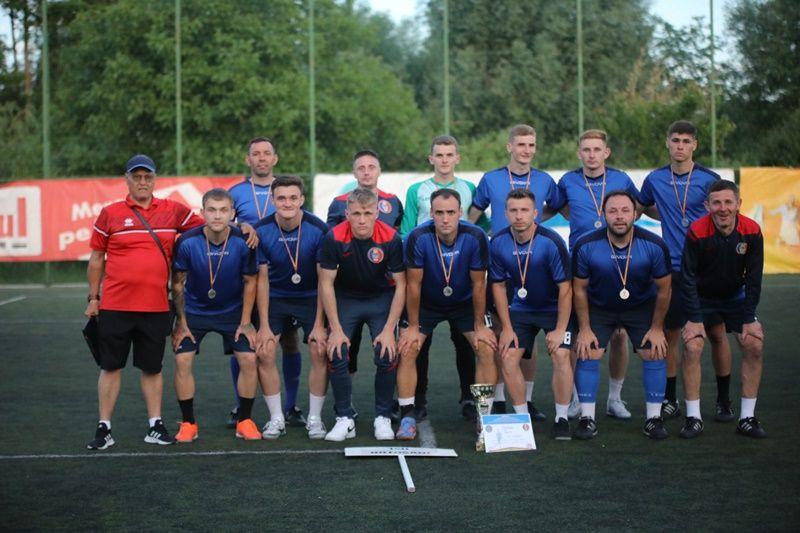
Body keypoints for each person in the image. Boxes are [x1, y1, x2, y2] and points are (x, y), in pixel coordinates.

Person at [85, 154, 204, 450]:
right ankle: (104, 428)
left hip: (155, 306)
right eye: (136, 177)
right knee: (110, 367)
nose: (142, 182)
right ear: (126, 179)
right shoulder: (110, 213)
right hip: (115, 306)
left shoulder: (173, 210)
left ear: (154, 180)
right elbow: (97, 258)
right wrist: (93, 298)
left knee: (152, 368)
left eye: (147, 177)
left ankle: (155, 425)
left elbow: (210, 227)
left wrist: (243, 229)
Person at [639, 121, 734, 422]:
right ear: (667, 142)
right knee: (670, 333)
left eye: (686, 141)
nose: (680, 146)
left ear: (694, 145)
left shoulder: (709, 179)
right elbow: (642, 207)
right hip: (673, 269)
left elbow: (724, 215)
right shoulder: (655, 179)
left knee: (716, 332)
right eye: (675, 140)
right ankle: (670, 399)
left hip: (707, 268)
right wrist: (666, 215)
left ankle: (723, 400)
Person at [469, 124, 560, 419]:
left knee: (528, 339)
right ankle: (497, 400)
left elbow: (557, 208)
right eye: (521, 144)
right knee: (499, 332)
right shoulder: (491, 179)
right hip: (501, 263)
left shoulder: (544, 180)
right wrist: (477, 237)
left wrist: (536, 221)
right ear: (510, 146)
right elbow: (474, 214)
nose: (526, 150)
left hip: (532, 267)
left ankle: (527, 400)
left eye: (531, 145)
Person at [551, 129, 640, 420]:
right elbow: (559, 208)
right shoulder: (568, 180)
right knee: (578, 334)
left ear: (606, 152)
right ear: (579, 153)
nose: (591, 155)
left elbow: (636, 208)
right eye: (586, 150)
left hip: (616, 264)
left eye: (596, 149)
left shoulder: (621, 179)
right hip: (580, 264)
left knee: (619, 334)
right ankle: (578, 399)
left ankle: (615, 398)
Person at [400, 135, 488, 421]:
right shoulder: (417, 191)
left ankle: (474, 403)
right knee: (416, 345)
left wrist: (480, 324)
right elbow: (407, 231)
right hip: (427, 276)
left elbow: (481, 226)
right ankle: (416, 403)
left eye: (449, 154)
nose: (445, 159)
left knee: (469, 344)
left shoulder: (469, 189)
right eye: (439, 154)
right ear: (431, 158)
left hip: (460, 279)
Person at [396, 189, 496, 440]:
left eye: (451, 212)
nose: (445, 218)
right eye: (439, 212)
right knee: (408, 347)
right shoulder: (417, 237)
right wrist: (413, 326)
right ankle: (407, 415)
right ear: (431, 213)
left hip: (464, 303)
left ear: (460, 212)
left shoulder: (476, 236)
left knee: (485, 347)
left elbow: (479, 284)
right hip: (426, 303)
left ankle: (483, 414)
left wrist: (480, 325)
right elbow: (413, 285)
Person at [572, 191, 672, 440]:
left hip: (639, 307)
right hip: (600, 307)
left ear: (635, 214)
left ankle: (653, 419)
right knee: (587, 349)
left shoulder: (654, 244)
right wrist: (584, 328)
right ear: (603, 214)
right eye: (613, 211)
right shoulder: (586, 244)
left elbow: (664, 289)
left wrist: (657, 328)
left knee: (654, 350)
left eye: (625, 210)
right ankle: (587, 418)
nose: (619, 216)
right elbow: (579, 289)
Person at [170, 188, 261, 442]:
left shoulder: (244, 241)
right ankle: (188, 424)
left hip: (232, 311)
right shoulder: (187, 242)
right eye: (211, 210)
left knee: (248, 358)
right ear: (202, 212)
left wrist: (246, 322)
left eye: (223, 210)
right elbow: (177, 283)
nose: (217, 216)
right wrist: (181, 322)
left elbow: (250, 281)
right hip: (195, 311)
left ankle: (245, 420)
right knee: (182, 360)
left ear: (232, 214)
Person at [229, 137, 306, 428]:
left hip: (285, 277)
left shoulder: (286, 190)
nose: (261, 158)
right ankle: (241, 405)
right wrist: (240, 225)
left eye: (266, 153)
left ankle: (291, 406)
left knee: (290, 341)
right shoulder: (237, 192)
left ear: (275, 159)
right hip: (248, 277)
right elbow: (223, 223)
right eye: (256, 154)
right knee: (243, 341)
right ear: (248, 159)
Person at [680, 180, 767, 438]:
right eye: (716, 203)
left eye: (729, 202)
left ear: (739, 204)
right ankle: (693, 418)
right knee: (693, 346)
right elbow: (687, 277)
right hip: (702, 297)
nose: (723, 208)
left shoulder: (752, 230)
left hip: (735, 297)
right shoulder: (697, 231)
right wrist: (694, 318)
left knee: (753, 344)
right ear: (707, 205)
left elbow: (754, 278)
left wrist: (749, 318)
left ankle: (747, 418)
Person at [318, 188, 406, 441]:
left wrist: (389, 330)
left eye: (367, 213)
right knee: (337, 350)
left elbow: (402, 285)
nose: (362, 220)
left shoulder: (391, 238)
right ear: (347, 214)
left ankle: (383, 417)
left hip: (380, 298)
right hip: (346, 298)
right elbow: (326, 283)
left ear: (377, 213)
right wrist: (335, 329)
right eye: (356, 214)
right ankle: (344, 418)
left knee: (386, 352)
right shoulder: (334, 237)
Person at [491, 189, 574, 440]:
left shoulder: (551, 242)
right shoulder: (498, 242)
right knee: (507, 357)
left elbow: (565, 289)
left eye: (524, 210)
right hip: (521, 309)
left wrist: (560, 329)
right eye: (514, 210)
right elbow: (498, 286)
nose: (519, 216)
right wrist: (506, 328)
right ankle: (521, 419)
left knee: (561, 354)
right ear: (506, 214)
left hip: (553, 309)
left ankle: (561, 418)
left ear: (535, 213)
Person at [253, 176, 331, 440]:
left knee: (319, 349)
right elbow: (262, 280)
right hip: (276, 297)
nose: (287, 203)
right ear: (273, 200)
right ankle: (276, 418)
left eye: (293, 198)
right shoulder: (261, 230)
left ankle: (315, 419)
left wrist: (319, 324)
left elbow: (323, 280)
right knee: (265, 350)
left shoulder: (318, 229)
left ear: (302, 200)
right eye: (281, 198)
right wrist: (264, 326)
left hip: (310, 296)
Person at [326, 150, 404, 391]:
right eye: (361, 167)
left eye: (372, 167)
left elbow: (399, 237)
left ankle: (390, 404)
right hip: (347, 288)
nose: (367, 172)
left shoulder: (393, 201)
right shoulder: (339, 203)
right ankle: (345, 406)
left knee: (387, 349)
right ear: (354, 172)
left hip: (382, 289)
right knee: (345, 349)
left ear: (379, 171)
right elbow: (330, 241)